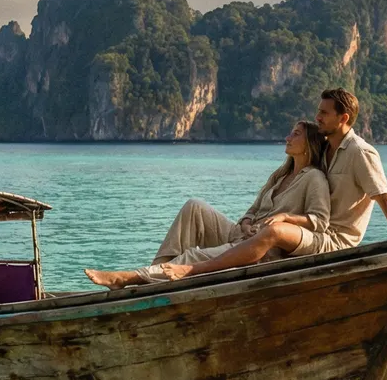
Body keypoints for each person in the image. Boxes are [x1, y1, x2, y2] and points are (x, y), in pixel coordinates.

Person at [107, 86, 387, 284]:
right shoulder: (319, 154)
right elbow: (259, 206)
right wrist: (250, 220)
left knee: (272, 232)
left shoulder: (360, 153)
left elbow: (384, 198)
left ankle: (164, 275)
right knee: (194, 208)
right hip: (289, 233)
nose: (318, 117)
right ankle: (152, 277)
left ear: (343, 118)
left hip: (330, 240)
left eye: (323, 113)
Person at [84, 121, 331, 288]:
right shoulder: (280, 174)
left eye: (295, 134)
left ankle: (130, 279)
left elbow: (320, 221)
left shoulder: (314, 178)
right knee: (194, 207)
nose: (288, 137)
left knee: (192, 256)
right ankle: (152, 275)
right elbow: (253, 209)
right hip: (243, 234)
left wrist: (285, 218)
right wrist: (245, 221)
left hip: (263, 248)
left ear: (309, 143)